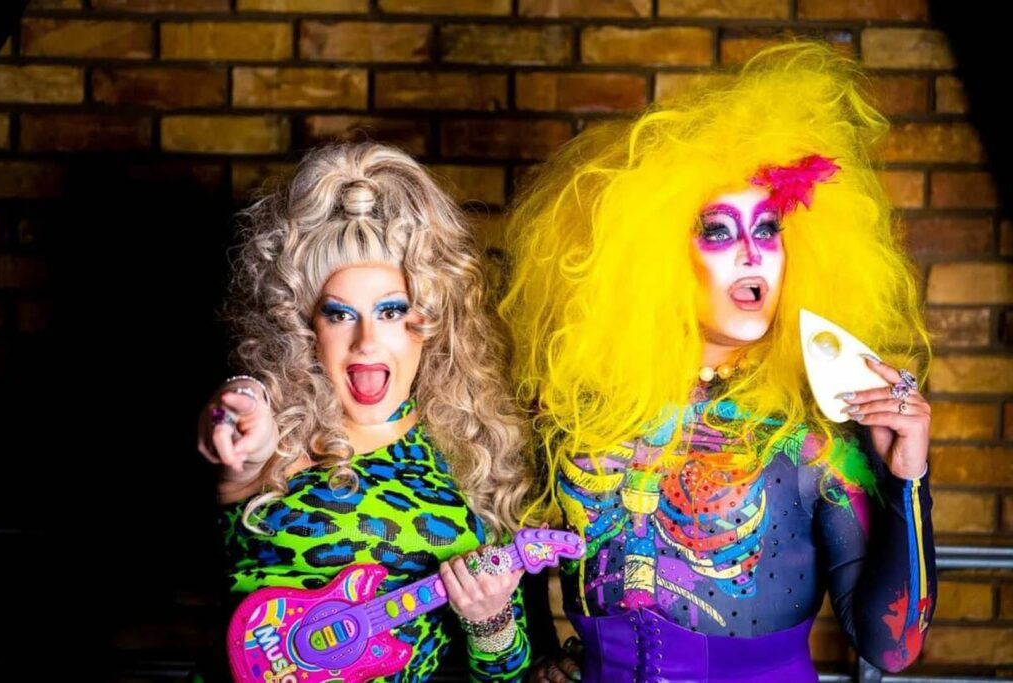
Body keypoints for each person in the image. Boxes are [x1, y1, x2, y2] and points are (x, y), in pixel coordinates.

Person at [502, 42, 936, 682]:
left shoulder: (818, 433)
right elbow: (519, 579)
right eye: (718, 230)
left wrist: (910, 480)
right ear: (655, 254)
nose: (751, 254)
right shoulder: (573, 414)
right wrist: (541, 656)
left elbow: (892, 648)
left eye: (768, 230)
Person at [198, 142, 534, 681]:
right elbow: (234, 431)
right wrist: (236, 402)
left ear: (428, 322)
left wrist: (491, 621)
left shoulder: (470, 455)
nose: (366, 341)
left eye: (391, 311)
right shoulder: (276, 436)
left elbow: (505, 676)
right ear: (305, 327)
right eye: (338, 315)